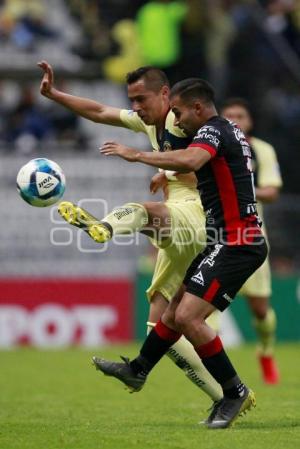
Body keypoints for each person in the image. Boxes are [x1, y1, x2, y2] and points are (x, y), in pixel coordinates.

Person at [38, 62, 223, 405]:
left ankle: (103, 227)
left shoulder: (181, 120)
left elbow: (204, 160)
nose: (136, 107)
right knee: (161, 327)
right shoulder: (149, 120)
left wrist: (155, 164)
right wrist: (54, 94)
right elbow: (98, 111)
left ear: (165, 95)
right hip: (182, 220)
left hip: (198, 214)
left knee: (143, 211)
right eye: (132, 100)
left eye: (142, 99)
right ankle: (228, 396)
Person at [95, 78, 268, 429]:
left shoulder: (212, 131)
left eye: (178, 112)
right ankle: (138, 369)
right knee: (173, 313)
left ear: (198, 109)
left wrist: (138, 154)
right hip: (225, 237)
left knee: (189, 317)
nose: (177, 120)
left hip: (238, 240)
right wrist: (165, 172)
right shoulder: (229, 131)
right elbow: (198, 165)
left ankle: (233, 392)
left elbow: (191, 159)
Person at [221, 98, 282, 384]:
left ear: (250, 121)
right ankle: (216, 371)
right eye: (228, 115)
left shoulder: (263, 150)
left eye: (240, 116)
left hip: (251, 235)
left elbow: (271, 192)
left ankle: (266, 352)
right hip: (215, 235)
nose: (234, 120)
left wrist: (241, 190)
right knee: (203, 307)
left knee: (260, 309)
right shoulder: (210, 146)